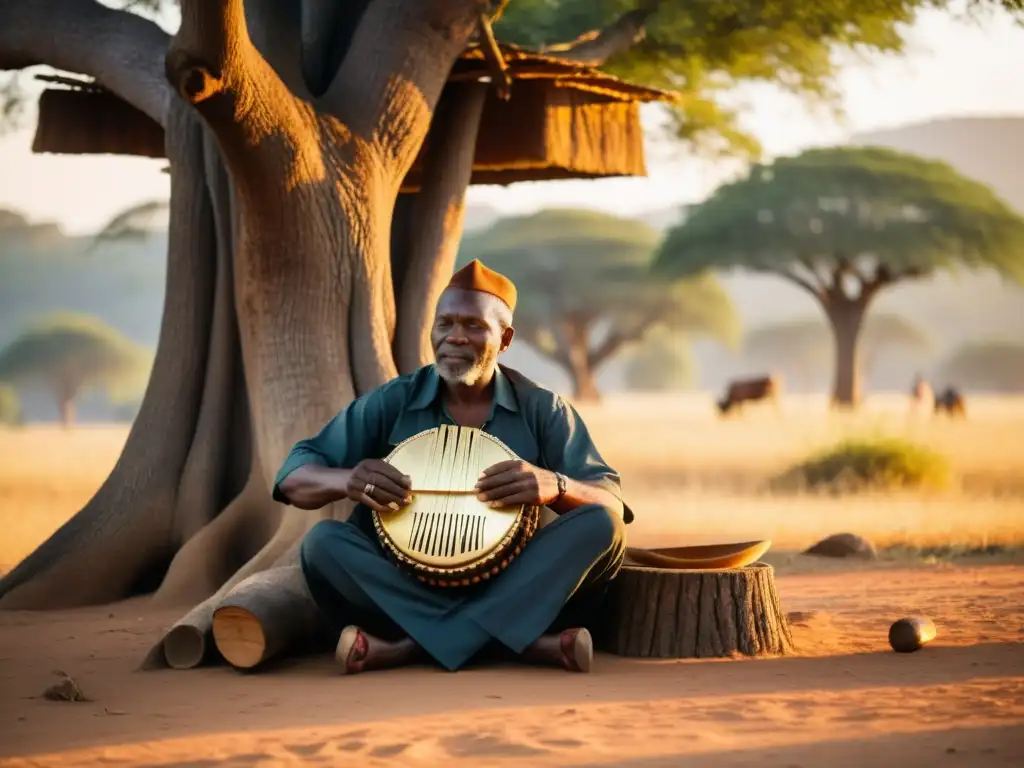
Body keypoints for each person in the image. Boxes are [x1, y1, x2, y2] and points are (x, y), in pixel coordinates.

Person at [273, 259, 631, 675]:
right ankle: (517, 643)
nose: (455, 337)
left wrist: (556, 484)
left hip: (514, 585)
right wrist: (346, 479)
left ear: (505, 338)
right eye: (444, 324)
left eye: (474, 326)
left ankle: (411, 646)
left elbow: (612, 502)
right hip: (403, 585)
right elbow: (294, 474)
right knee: (323, 543)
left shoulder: (542, 408)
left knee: (604, 526)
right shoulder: (395, 400)